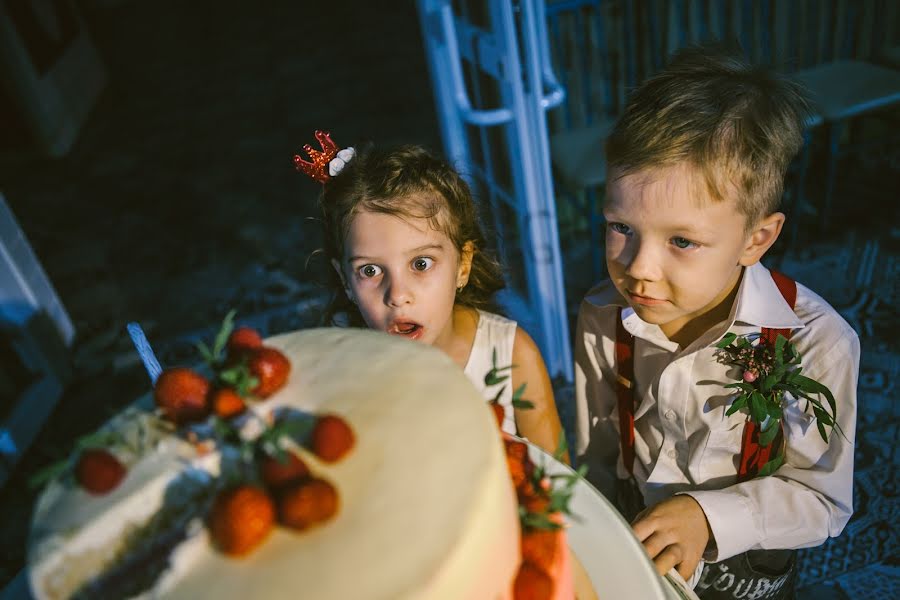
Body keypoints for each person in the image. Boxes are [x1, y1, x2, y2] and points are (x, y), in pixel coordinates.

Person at [573, 45, 859, 599]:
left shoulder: (817, 343)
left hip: (747, 560)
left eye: (682, 241)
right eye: (620, 226)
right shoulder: (601, 313)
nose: (638, 269)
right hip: (637, 532)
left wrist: (709, 517)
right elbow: (598, 443)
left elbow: (823, 500)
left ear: (757, 239)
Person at [295, 133, 567, 458]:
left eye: (420, 264)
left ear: (463, 265)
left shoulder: (511, 357)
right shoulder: (340, 364)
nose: (397, 295)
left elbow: (560, 478)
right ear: (345, 281)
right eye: (370, 271)